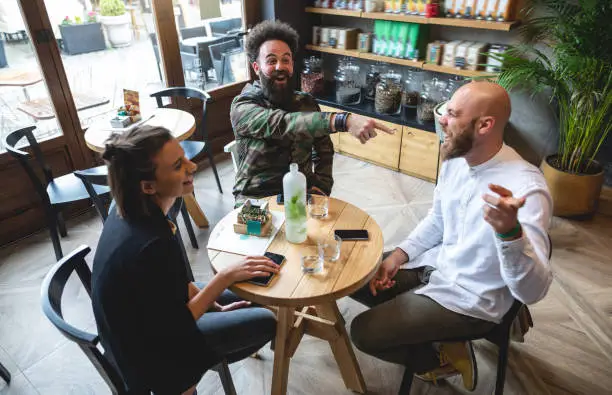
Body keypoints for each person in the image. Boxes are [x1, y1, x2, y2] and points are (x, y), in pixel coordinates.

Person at [349, 81, 553, 391]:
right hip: (438, 266)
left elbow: (532, 292)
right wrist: (399, 255)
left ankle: (439, 359)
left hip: (471, 298)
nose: (441, 119)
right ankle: (436, 336)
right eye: (445, 110)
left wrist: (511, 234)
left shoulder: (526, 188)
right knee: (353, 274)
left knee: (363, 332)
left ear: (485, 125)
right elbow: (439, 220)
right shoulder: (456, 156)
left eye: (453, 114)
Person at [92, 125, 278, 395]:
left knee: (256, 291)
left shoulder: (129, 207)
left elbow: (172, 283)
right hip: (148, 352)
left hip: (149, 317)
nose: (192, 166)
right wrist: (224, 277)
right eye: (178, 165)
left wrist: (212, 304)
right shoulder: (150, 244)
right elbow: (175, 326)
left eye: (185, 156)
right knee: (265, 321)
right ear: (147, 186)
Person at [230, 20, 394, 204]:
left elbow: (324, 150)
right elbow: (283, 124)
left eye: (286, 59)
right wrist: (344, 121)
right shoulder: (243, 105)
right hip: (256, 199)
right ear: (256, 67)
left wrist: (322, 185)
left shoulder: (307, 102)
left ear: (292, 64)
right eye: (271, 61)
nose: (280, 66)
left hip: (301, 195)